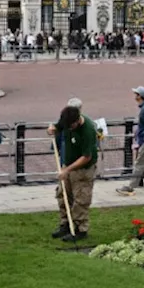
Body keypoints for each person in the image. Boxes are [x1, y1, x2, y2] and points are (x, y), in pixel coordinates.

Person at [48, 103, 97, 242]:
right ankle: (65, 224)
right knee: (63, 194)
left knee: (81, 198)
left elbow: (86, 156)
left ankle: (80, 228)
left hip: (83, 169)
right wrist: (52, 129)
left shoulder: (88, 130)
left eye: (71, 126)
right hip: (67, 165)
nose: (68, 128)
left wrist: (68, 169)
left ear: (77, 121)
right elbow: (57, 127)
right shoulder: (66, 121)